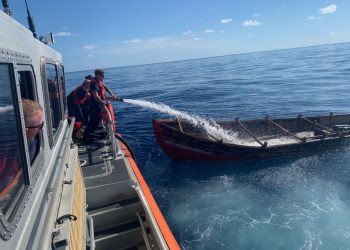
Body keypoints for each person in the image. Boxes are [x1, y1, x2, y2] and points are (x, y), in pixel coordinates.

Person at [85, 69, 120, 136]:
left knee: (98, 119)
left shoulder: (99, 81)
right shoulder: (94, 84)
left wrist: (112, 94)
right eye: (102, 75)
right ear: (97, 75)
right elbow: (95, 96)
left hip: (99, 104)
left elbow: (105, 87)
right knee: (94, 121)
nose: (103, 77)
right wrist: (103, 103)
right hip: (94, 105)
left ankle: (90, 133)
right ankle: (87, 135)